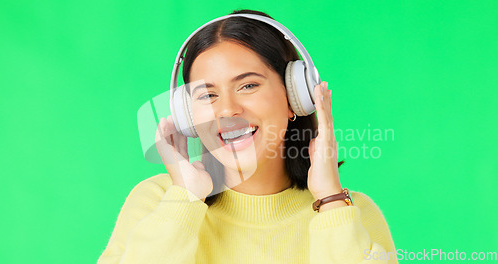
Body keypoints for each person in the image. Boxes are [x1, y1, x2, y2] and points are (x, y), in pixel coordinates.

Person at [98, 9, 397, 264]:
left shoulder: (352, 214)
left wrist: (331, 199)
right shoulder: (157, 201)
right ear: (188, 116)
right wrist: (186, 199)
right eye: (208, 94)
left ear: (295, 97)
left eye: (248, 86)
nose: (228, 109)